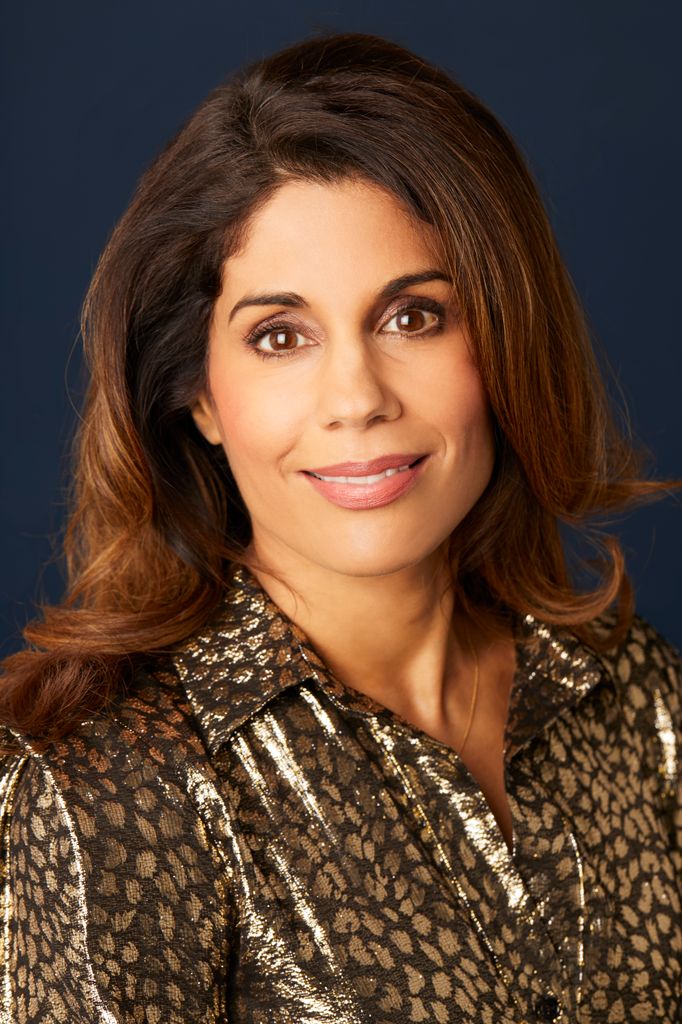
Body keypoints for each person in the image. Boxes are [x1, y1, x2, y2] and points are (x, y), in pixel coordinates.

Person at [0, 30, 679, 1024]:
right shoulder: (99, 784)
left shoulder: (634, 701)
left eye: (414, 317)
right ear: (200, 396)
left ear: (500, 338)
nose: (354, 398)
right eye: (281, 336)